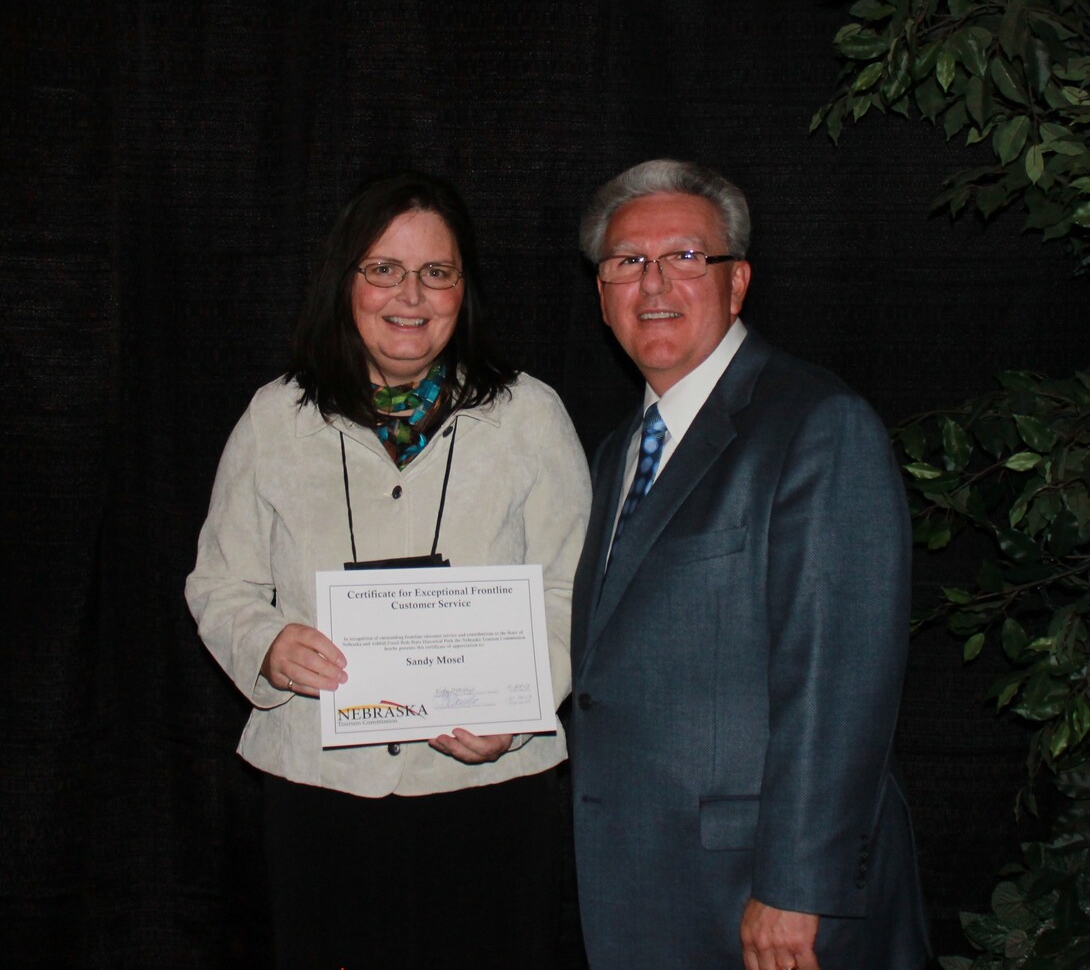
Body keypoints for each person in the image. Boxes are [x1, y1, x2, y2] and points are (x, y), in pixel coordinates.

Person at [185, 170, 590, 968]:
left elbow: (571, 588)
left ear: (463, 288)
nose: (412, 294)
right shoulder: (277, 416)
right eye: (384, 268)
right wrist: (266, 643)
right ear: (346, 281)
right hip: (316, 790)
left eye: (437, 271)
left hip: (488, 791)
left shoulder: (529, 416)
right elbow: (219, 582)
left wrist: (519, 705)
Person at [568, 159, 930, 970]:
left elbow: (840, 681)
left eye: (688, 256)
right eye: (627, 262)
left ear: (738, 285)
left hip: (764, 898)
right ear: (600, 294)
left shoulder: (817, 424)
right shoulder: (618, 451)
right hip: (647, 881)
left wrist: (798, 884)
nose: (654, 281)